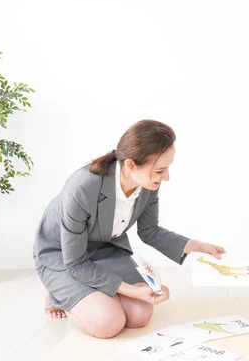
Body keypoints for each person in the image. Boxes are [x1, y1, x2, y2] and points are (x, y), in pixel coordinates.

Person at [33, 120, 225, 338]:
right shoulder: (83, 187)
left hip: (105, 248)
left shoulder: (148, 185)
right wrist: (130, 290)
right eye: (160, 170)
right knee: (107, 323)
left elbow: (150, 231)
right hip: (63, 257)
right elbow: (76, 262)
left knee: (140, 315)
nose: (167, 177)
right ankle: (57, 293)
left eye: (168, 168)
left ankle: (91, 295)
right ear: (131, 165)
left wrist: (200, 247)